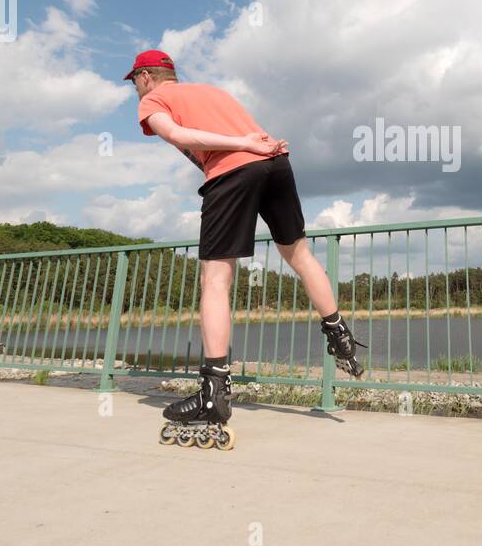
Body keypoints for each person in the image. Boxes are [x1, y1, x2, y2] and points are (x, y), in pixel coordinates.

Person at [125, 49, 364, 437]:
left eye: (134, 81)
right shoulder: (212, 92)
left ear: (146, 76)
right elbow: (215, 144)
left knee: (216, 279)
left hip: (236, 168)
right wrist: (250, 145)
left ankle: (214, 393)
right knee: (298, 254)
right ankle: (339, 334)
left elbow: (178, 134)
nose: (134, 89)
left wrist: (240, 145)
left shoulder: (154, 99)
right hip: (276, 163)